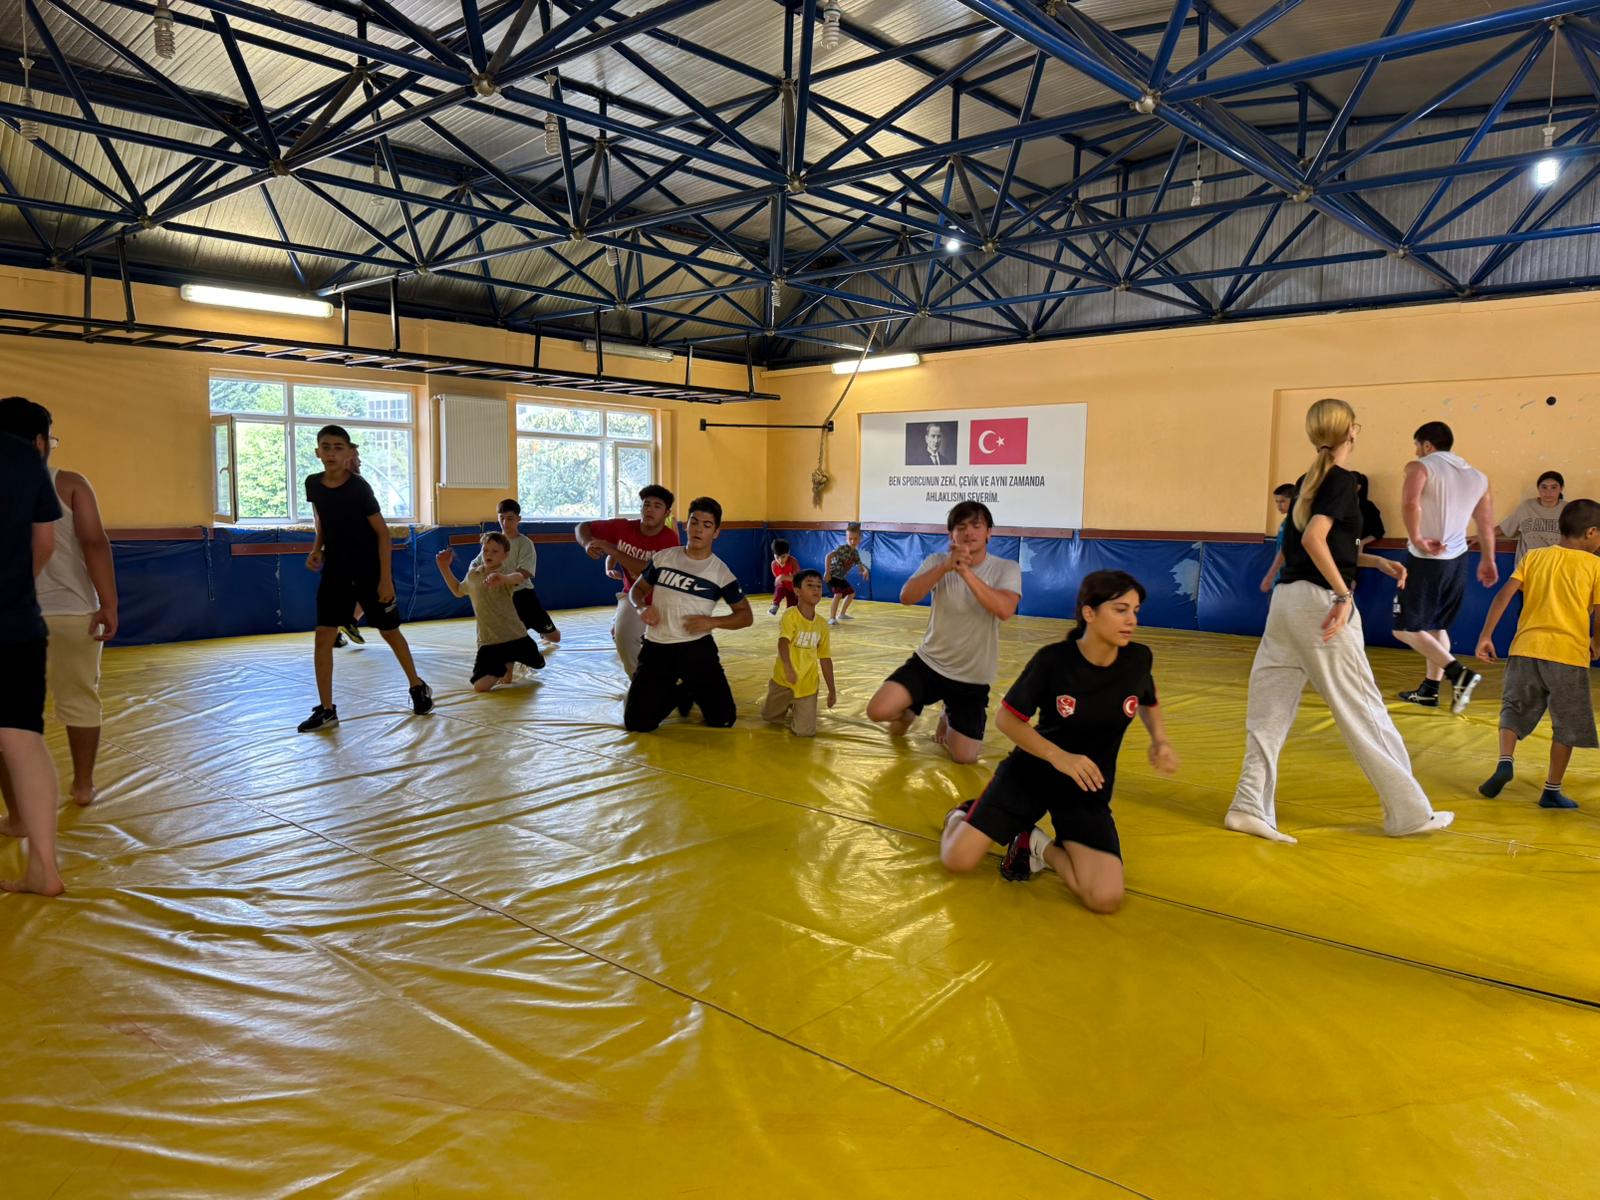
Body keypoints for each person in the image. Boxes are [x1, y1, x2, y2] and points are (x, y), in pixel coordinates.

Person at [1226, 398, 1453, 844]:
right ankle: (1409, 813)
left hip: (1287, 604)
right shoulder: (1342, 480)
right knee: (1361, 705)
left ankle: (1248, 805)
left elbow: (1314, 546)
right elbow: (1315, 540)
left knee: (1269, 711)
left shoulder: (1309, 482)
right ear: (1351, 431)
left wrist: (1371, 562)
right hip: (1319, 603)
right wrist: (1344, 594)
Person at [940, 571, 1178, 914]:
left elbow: (1148, 699)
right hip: (1031, 774)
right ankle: (962, 813)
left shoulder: (1137, 659)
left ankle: (1036, 844)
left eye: (1135, 611)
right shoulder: (1053, 661)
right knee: (957, 859)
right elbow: (1007, 719)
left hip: (1086, 786)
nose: (1132, 620)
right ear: (1089, 613)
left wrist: (1160, 740)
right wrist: (1059, 756)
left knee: (1105, 898)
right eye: (1121, 610)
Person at [0, 398, 116, 809]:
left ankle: (18, 814)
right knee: (81, 699)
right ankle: (83, 786)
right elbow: (94, 543)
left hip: (11, 618)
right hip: (72, 612)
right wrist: (109, 604)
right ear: (38, 441)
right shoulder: (69, 483)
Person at [865, 501, 1022, 764]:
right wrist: (945, 567)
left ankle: (946, 714)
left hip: (972, 676)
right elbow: (906, 597)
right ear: (951, 535)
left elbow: (1005, 609)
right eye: (961, 527)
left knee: (965, 757)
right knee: (877, 711)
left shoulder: (1006, 568)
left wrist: (965, 572)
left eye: (976, 525)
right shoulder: (937, 561)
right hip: (930, 663)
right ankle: (909, 710)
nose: (969, 532)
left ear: (989, 532)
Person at [298, 424, 432, 732]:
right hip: (335, 571)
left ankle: (417, 685)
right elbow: (321, 521)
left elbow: (383, 534)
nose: (331, 453)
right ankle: (327, 709)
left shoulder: (359, 488)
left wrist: (385, 580)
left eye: (338, 447)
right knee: (323, 635)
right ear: (318, 452)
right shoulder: (313, 484)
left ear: (348, 452)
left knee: (389, 631)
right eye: (326, 447)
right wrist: (317, 549)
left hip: (369, 571)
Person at [1474, 498, 1600, 810]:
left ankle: (1505, 761)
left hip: (1525, 649)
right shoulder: (1595, 566)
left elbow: (1504, 595)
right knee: (1567, 723)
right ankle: (1551, 790)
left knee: (1513, 707)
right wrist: (1596, 641)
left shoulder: (1534, 556)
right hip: (1568, 654)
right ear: (1591, 532)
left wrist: (1486, 636)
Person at [0, 401, 65, 896]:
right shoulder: (25, 458)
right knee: (23, 737)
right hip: (17, 623)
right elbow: (44, 544)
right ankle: (44, 867)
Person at [623, 496, 753, 732]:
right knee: (637, 723)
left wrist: (711, 622)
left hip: (697, 649)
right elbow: (637, 590)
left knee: (723, 720)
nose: (698, 529)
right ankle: (680, 693)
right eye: (694, 522)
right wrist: (641, 607)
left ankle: (692, 687)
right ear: (686, 525)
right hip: (657, 647)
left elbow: (745, 616)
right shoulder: (663, 558)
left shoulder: (721, 573)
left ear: (716, 532)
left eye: (707, 525)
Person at [1393, 421, 1495, 713]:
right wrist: (1488, 559)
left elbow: (1410, 504)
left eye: (1417, 446)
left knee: (1404, 628)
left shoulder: (1421, 466)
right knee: (1435, 624)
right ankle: (1429, 690)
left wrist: (1417, 538)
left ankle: (1458, 673)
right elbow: (1485, 523)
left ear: (1427, 445)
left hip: (1426, 560)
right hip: (1458, 560)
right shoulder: (1478, 477)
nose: (1416, 452)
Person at [575, 484, 680, 677]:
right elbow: (582, 527)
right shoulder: (624, 527)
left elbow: (647, 571)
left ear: (666, 513)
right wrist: (587, 542)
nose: (650, 509)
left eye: (657, 506)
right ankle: (640, 683)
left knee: (671, 649)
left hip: (664, 599)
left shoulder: (669, 539)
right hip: (633, 595)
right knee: (624, 637)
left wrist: (612, 549)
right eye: (646, 504)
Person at [435, 532, 546, 692]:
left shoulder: (505, 572)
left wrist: (503, 579)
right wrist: (444, 567)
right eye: (485, 550)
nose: (489, 554)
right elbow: (458, 590)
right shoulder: (474, 575)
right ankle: (504, 663)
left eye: (495, 551)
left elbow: (518, 577)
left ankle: (510, 658)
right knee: (480, 687)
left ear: (505, 555)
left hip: (515, 636)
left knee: (539, 663)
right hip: (489, 640)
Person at [469, 499, 561, 644]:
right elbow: (475, 563)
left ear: (518, 519)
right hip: (502, 596)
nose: (505, 523)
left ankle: (542, 632)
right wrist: (476, 574)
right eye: (501, 518)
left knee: (555, 637)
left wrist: (503, 579)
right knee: (506, 636)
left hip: (524, 595)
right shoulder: (493, 542)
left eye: (510, 518)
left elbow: (523, 573)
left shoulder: (524, 543)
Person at [763, 569, 836, 737]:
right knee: (770, 718)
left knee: (805, 732)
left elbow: (825, 658)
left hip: (807, 685)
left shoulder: (822, 624)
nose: (816, 589)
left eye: (819, 586)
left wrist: (832, 690)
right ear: (797, 591)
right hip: (784, 681)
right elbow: (783, 642)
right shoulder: (790, 615)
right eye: (810, 585)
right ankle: (787, 703)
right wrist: (788, 667)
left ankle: (800, 706)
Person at [1498, 471, 1568, 566]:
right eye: (1544, 487)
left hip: (1556, 565)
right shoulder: (1526, 507)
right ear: (1538, 488)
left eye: (1553, 487)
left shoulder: (1568, 509)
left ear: (1561, 488)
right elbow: (1505, 528)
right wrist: (1482, 536)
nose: (1548, 492)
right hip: (1528, 566)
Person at [826, 523, 871, 624]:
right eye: (850, 539)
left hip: (841, 578)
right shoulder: (842, 549)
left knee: (851, 593)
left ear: (860, 539)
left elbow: (860, 565)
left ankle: (841, 614)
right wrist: (827, 572)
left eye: (855, 539)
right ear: (846, 538)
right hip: (833, 576)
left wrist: (865, 570)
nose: (852, 541)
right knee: (838, 594)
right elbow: (828, 557)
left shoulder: (855, 553)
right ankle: (832, 618)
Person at [1259, 483, 1296, 592]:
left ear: (1294, 500)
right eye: (1277, 502)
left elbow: (1285, 549)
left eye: (1283, 501)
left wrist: (1270, 576)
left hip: (1290, 579)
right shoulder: (1285, 523)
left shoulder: (1295, 523)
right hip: (1280, 577)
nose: (1279, 505)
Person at [1353, 471, 1385, 548]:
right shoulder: (1337, 505)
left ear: (1358, 487)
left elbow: (1378, 531)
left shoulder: (1367, 507)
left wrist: (1361, 543)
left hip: (1356, 545)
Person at [768, 538, 799, 616]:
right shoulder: (773, 564)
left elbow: (798, 578)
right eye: (777, 557)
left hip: (794, 589)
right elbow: (779, 581)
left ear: (788, 553)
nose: (780, 560)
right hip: (784, 586)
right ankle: (775, 605)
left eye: (783, 557)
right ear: (774, 555)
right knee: (779, 587)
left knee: (791, 609)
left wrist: (783, 577)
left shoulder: (793, 562)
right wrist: (781, 579)